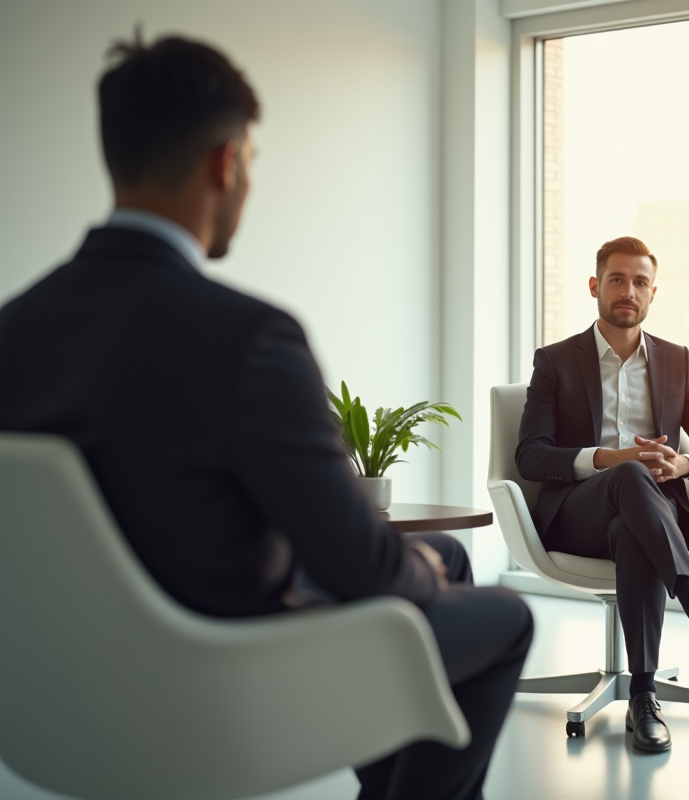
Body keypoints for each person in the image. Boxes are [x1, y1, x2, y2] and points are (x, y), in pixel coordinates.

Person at [0, 33, 531, 800]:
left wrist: (421, 566)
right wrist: (410, 571)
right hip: (220, 679)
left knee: (443, 556)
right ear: (227, 162)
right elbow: (364, 568)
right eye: (250, 160)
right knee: (503, 615)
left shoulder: (15, 328)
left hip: (62, 688)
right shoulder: (246, 336)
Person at [516, 236, 689, 751]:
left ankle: (643, 697)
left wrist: (684, 463)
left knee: (634, 522)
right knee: (627, 475)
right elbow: (530, 456)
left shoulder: (675, 362)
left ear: (653, 292)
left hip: (646, 520)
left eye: (640, 282)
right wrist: (609, 459)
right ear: (596, 286)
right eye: (617, 279)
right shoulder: (554, 361)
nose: (629, 290)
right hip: (576, 514)